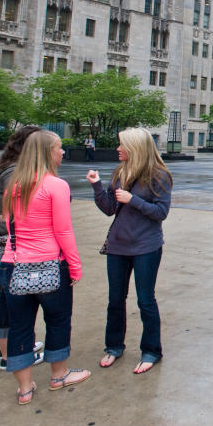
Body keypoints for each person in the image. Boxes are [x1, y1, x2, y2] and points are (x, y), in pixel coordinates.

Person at [0, 131, 89, 405]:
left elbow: (6, 223)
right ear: (46, 152)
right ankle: (59, 374)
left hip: (13, 266)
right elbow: (63, 230)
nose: (63, 153)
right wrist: (75, 266)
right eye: (59, 148)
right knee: (58, 320)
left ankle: (25, 389)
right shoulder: (56, 186)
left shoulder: (13, 185)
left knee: (20, 327)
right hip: (50, 265)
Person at [87, 127, 173, 375]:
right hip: (118, 246)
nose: (117, 149)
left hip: (146, 246)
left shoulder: (159, 175)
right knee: (115, 299)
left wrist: (133, 200)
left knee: (145, 300)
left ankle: (151, 350)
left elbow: (161, 213)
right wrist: (96, 186)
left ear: (135, 148)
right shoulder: (120, 172)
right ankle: (114, 346)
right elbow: (110, 208)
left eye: (122, 145)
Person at [0, 125, 45, 371]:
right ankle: (7, 354)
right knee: (8, 300)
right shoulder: (14, 173)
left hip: (14, 243)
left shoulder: (14, 169)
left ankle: (16, 346)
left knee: (13, 298)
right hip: (14, 245)